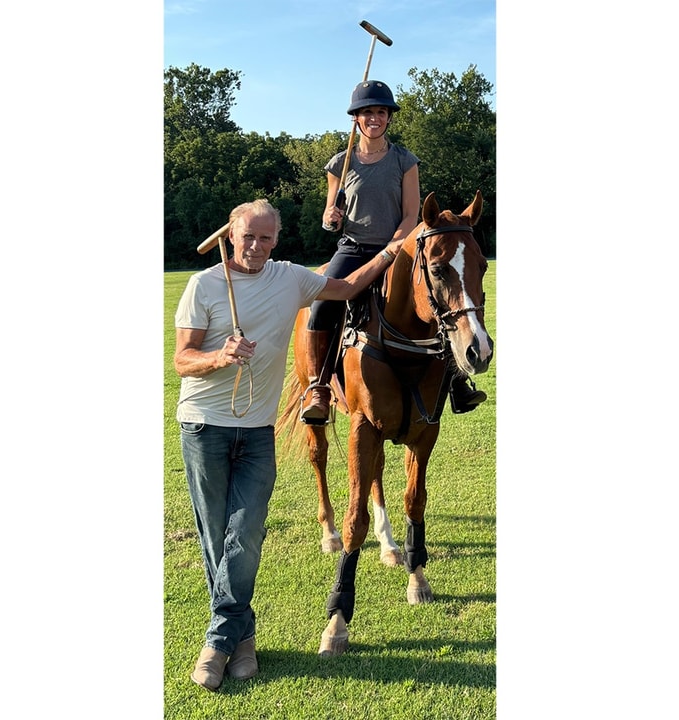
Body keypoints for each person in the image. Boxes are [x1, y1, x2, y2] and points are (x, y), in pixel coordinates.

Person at [174, 199, 404, 691]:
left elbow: (345, 287)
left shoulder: (290, 278)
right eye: (248, 237)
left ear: (276, 240)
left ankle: (218, 641)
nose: (256, 246)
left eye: (265, 237)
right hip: (203, 426)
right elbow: (182, 360)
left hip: (258, 431)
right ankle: (241, 638)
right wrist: (218, 357)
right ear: (230, 236)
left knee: (247, 535)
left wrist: (392, 250)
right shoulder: (204, 285)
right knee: (217, 539)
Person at [300, 79, 486, 422]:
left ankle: (458, 381)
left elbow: (411, 214)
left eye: (381, 112)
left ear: (389, 118)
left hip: (398, 247)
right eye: (367, 112)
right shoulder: (339, 165)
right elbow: (331, 219)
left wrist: (391, 248)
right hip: (354, 248)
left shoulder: (404, 160)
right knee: (322, 302)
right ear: (356, 118)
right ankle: (319, 388)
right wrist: (330, 217)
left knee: (440, 298)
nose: (375, 118)